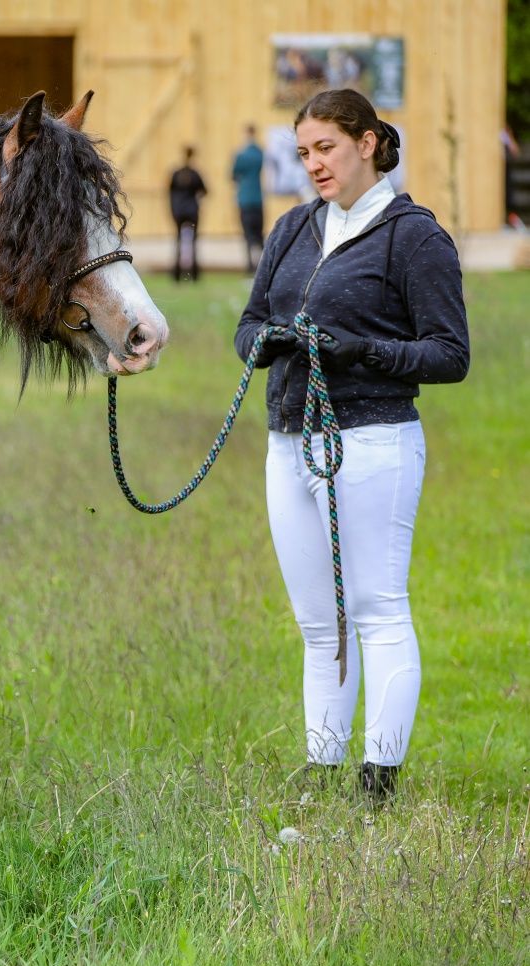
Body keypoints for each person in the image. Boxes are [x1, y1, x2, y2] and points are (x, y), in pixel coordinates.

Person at [234, 88, 470, 805]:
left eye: (324, 148)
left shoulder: (414, 237)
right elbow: (246, 324)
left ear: (368, 142)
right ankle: (322, 769)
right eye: (303, 152)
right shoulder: (291, 228)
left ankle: (377, 783)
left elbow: (448, 354)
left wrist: (361, 351)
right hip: (287, 443)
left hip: (372, 442)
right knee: (316, 622)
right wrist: (265, 344)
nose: (312, 165)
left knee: (375, 607)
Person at [168, 146, 207, 281]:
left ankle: (177, 275)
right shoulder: (195, 174)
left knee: (178, 241)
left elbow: (170, 192)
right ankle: (194, 274)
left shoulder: (176, 173)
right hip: (192, 210)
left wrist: (174, 208)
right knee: (193, 242)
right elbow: (204, 191)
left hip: (179, 210)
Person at [231, 124, 265, 272]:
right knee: (259, 234)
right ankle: (262, 266)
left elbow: (233, 175)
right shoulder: (260, 153)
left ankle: (250, 266)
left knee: (248, 235)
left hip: (245, 198)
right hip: (258, 197)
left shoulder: (241, 155)